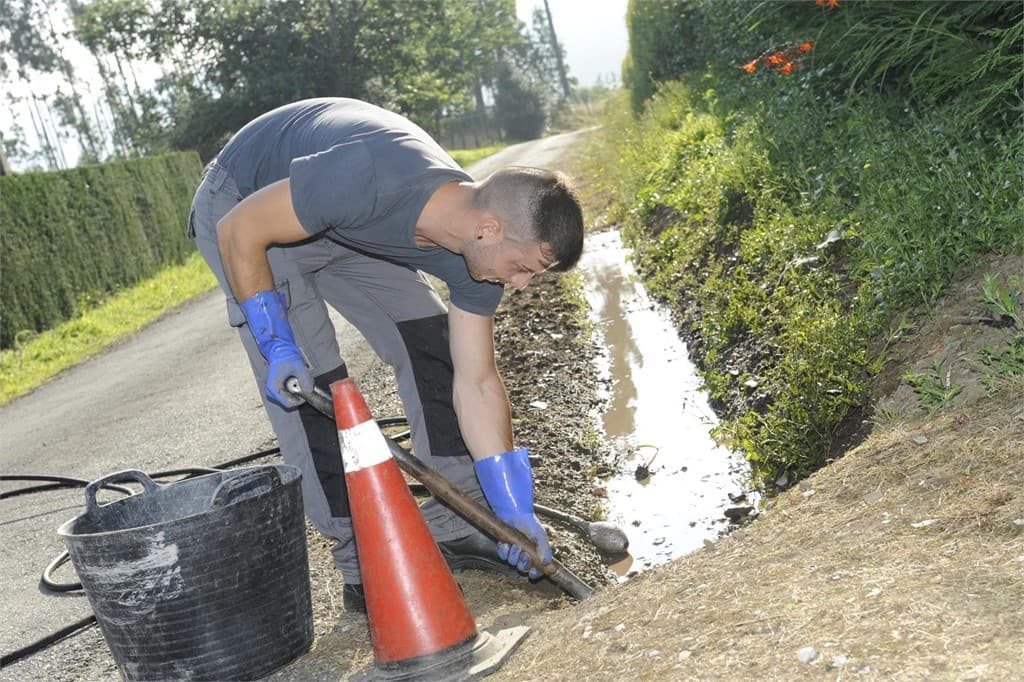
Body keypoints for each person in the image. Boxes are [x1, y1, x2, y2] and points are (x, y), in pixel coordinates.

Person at [188, 97, 585, 613]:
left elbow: (478, 382)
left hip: (344, 223)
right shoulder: (369, 176)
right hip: (249, 206)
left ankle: (458, 521)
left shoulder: (475, 257)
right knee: (316, 388)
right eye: (523, 266)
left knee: (432, 345)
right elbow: (240, 230)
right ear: (487, 229)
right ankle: (362, 561)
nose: (520, 282)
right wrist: (276, 342)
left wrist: (512, 508)